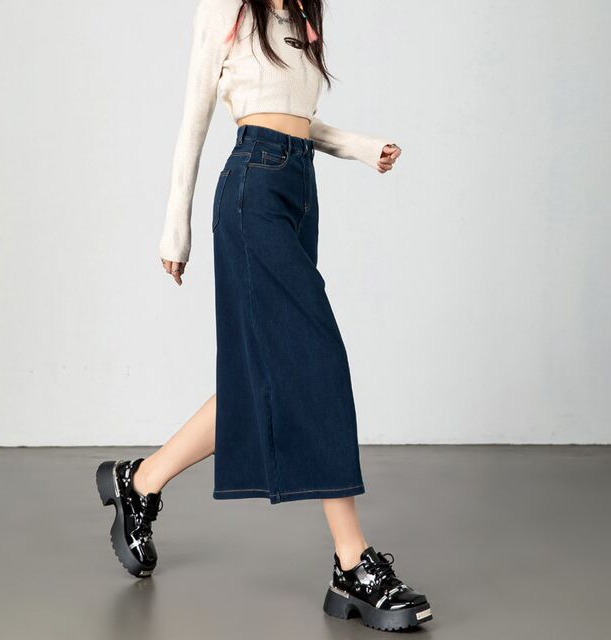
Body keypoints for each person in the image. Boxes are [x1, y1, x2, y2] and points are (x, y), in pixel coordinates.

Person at [96, 0, 432, 632]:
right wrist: (175, 228)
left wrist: (361, 148)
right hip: (252, 191)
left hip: (299, 190)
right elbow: (196, 116)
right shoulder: (226, 8)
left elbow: (299, 121)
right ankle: (352, 562)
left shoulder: (300, 15)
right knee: (313, 361)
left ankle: (139, 482)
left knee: (266, 377)